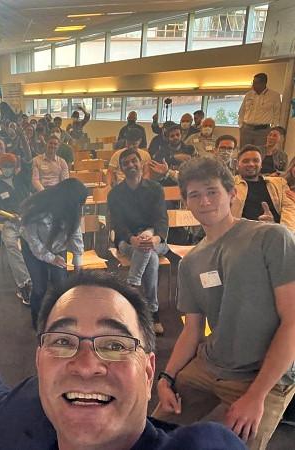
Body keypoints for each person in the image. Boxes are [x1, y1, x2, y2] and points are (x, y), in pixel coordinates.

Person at [0, 272, 249, 450]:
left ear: (149, 372)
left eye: (114, 344)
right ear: (40, 362)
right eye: (63, 341)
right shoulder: (24, 416)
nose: (86, 365)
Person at [153, 157, 295, 450]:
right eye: (194, 195)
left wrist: (256, 396)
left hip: (263, 375)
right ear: (186, 203)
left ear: (232, 194)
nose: (204, 201)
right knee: (153, 433)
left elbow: (292, 320)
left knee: (238, 444)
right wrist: (166, 378)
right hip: (209, 364)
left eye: (212, 191)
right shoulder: (190, 263)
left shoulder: (271, 237)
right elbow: (192, 331)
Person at [108, 148, 169, 335]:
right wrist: (132, 239)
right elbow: (117, 224)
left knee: (148, 246)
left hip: (156, 240)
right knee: (149, 255)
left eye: (133, 161)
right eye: (125, 163)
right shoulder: (115, 194)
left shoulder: (155, 189)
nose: (130, 165)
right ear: (121, 168)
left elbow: (161, 219)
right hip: (127, 242)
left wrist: (156, 237)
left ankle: (131, 289)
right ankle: (153, 310)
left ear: (141, 163)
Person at [20, 178, 87, 328]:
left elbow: (76, 239)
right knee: (40, 288)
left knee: (62, 285)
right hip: (34, 250)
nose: (79, 208)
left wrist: (78, 267)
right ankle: (37, 322)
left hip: (57, 248)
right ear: (67, 200)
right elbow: (34, 243)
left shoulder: (73, 210)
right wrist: (51, 259)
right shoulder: (36, 208)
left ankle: (60, 320)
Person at [0, 147, 32, 305]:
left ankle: (39, 277)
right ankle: (25, 284)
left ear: (15, 167)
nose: (7, 169)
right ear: (0, 168)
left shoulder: (22, 180)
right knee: (11, 245)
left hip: (28, 220)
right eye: (5, 166)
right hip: (9, 223)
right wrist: (10, 217)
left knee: (37, 241)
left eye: (10, 166)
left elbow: (28, 160)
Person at [231, 145, 295, 232]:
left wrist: (283, 234)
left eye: (256, 160)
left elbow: (289, 209)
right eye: (246, 161)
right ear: (238, 165)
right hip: (242, 236)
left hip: (275, 236)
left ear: (261, 164)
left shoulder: (279, 183)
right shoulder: (229, 184)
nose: (251, 164)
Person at [238, 73, 282, 147]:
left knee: (260, 152)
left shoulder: (274, 96)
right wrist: (241, 125)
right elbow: (242, 111)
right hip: (246, 129)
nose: (253, 85)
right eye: (253, 82)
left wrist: (272, 130)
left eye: (256, 83)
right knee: (243, 151)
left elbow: (277, 115)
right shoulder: (249, 94)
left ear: (263, 83)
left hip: (263, 131)